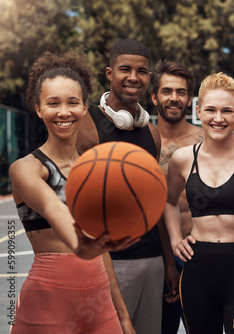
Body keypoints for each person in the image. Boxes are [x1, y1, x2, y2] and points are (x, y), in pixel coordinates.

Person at [9, 51, 137, 333]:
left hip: (100, 302)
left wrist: (123, 315)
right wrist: (83, 245)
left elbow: (101, 254)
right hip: (48, 303)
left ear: (83, 107)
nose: (64, 112)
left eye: (72, 103)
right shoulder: (26, 168)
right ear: (39, 109)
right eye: (53, 103)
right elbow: (54, 208)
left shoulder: (96, 169)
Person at [165, 72, 234, 334]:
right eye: (211, 110)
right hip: (197, 271)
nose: (218, 118)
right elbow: (168, 202)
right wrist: (174, 239)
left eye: (227, 111)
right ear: (198, 111)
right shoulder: (182, 159)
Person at [77, 39, 173, 333]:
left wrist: (168, 262)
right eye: (125, 69)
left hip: (153, 261)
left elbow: (154, 204)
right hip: (113, 264)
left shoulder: (152, 133)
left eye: (142, 71)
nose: (134, 77)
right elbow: (79, 208)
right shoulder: (88, 124)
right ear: (109, 73)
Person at [150, 59, 204, 333]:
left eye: (181, 92)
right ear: (154, 96)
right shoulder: (142, 145)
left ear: (190, 99)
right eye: (167, 91)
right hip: (152, 258)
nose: (174, 98)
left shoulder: (206, 140)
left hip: (198, 255)